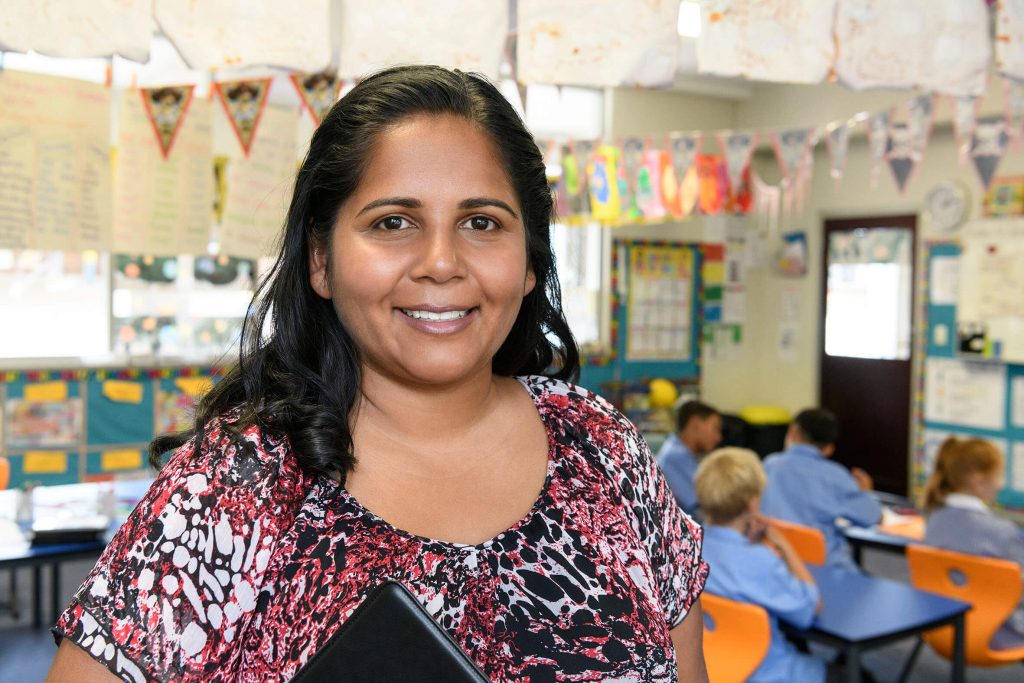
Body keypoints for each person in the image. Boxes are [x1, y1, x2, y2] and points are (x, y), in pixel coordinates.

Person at [47, 65, 709, 683]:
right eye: (393, 222)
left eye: (482, 222)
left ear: (531, 260)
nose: (441, 262)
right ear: (321, 261)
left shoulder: (601, 446)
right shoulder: (231, 492)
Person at [695, 448, 827, 683]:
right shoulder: (761, 561)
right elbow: (810, 608)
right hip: (767, 672)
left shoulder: (689, 549)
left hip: (711, 667)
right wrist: (784, 546)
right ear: (752, 503)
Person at [923, 436, 1024, 649]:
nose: (1000, 484)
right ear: (977, 482)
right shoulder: (1002, 532)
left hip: (942, 624)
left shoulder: (934, 519)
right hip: (997, 632)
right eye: (997, 476)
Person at [759, 408, 881, 571]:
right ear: (829, 448)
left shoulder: (769, 465)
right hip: (823, 569)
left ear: (793, 431)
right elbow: (873, 517)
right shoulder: (835, 476)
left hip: (775, 562)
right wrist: (866, 493)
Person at [656, 400, 721, 516]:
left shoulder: (679, 452)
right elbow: (703, 508)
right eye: (715, 428)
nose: (718, 437)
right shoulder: (675, 457)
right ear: (696, 424)